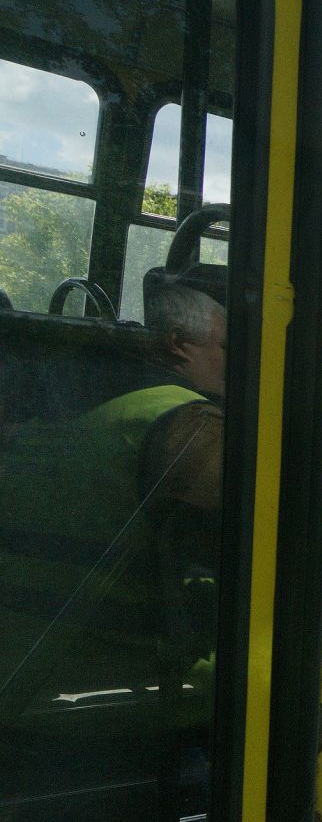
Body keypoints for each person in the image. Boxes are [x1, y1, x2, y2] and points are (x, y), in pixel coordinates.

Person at [0, 281, 226, 704]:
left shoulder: (57, 413)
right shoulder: (190, 424)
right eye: (226, 347)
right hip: (108, 685)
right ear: (179, 345)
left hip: (22, 672)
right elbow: (257, 545)